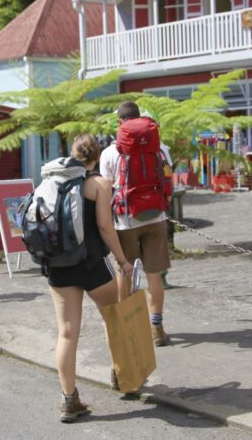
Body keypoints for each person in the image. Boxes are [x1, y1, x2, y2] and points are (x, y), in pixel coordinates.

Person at [50, 134, 132, 423]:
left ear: (71, 154)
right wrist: (122, 261)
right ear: (97, 157)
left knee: (67, 333)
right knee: (113, 318)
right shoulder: (99, 184)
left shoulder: (51, 181)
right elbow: (105, 227)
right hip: (92, 264)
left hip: (59, 266)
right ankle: (122, 377)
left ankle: (69, 400)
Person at [99, 101, 173, 348]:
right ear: (140, 118)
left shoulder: (110, 152)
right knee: (155, 275)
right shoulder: (160, 147)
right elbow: (168, 183)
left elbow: (105, 192)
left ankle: (127, 326)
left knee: (124, 271)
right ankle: (157, 328)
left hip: (125, 221)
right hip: (157, 219)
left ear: (120, 122)